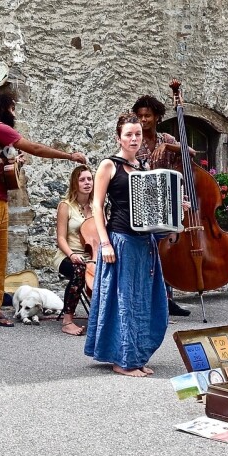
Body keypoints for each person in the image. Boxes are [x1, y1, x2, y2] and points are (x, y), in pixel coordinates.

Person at [0, 91, 87, 333]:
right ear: (5, 108)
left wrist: (14, 165)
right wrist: (69, 156)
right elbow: (35, 147)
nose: (15, 113)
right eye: (13, 108)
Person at [84, 112, 169, 377]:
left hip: (145, 243)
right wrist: (105, 243)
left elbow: (152, 210)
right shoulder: (109, 165)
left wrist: (176, 206)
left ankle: (136, 354)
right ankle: (123, 360)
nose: (134, 139)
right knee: (124, 302)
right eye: (128, 134)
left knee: (143, 301)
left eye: (138, 134)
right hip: (120, 239)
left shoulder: (145, 169)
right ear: (118, 137)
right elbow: (97, 206)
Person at [132, 94, 193, 317]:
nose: (143, 120)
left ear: (157, 117)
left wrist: (169, 147)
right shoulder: (134, 139)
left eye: (147, 116)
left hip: (167, 201)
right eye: (140, 116)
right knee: (146, 252)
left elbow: (190, 153)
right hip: (141, 200)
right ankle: (148, 301)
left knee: (165, 253)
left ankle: (167, 299)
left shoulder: (165, 138)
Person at [53, 165, 94, 336]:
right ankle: (67, 320)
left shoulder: (97, 206)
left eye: (89, 179)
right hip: (67, 255)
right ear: (75, 183)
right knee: (79, 270)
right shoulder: (66, 205)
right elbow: (60, 238)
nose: (87, 183)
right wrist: (72, 254)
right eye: (82, 179)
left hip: (92, 256)